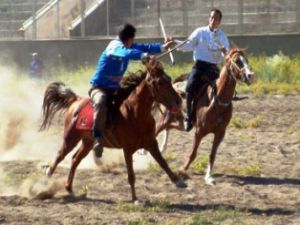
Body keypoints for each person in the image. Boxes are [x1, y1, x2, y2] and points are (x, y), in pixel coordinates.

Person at [89, 23, 173, 157]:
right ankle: (97, 138)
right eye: (133, 39)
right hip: (99, 88)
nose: (134, 42)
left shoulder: (129, 45)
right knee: (101, 101)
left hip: (115, 89)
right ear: (128, 39)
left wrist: (163, 47)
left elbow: (145, 47)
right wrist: (142, 56)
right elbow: (127, 53)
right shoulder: (115, 46)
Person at [173, 8, 230, 131]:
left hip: (213, 68)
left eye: (216, 18)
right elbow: (188, 45)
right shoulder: (200, 32)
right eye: (211, 17)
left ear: (220, 21)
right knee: (190, 87)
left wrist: (221, 47)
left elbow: (227, 56)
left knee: (223, 90)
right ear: (209, 18)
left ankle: (219, 117)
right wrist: (174, 42)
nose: (213, 20)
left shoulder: (223, 37)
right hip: (199, 66)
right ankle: (188, 118)